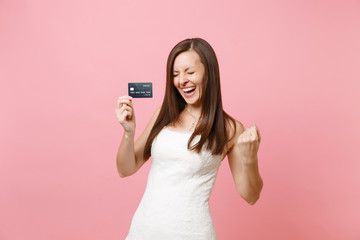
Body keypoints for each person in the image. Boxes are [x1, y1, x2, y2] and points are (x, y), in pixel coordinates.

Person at [115, 38, 263, 240]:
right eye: (175, 74)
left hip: (192, 234)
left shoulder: (229, 128)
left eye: (190, 72)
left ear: (209, 73)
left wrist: (250, 158)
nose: (181, 80)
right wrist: (128, 132)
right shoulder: (163, 115)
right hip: (144, 230)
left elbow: (251, 196)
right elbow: (126, 169)